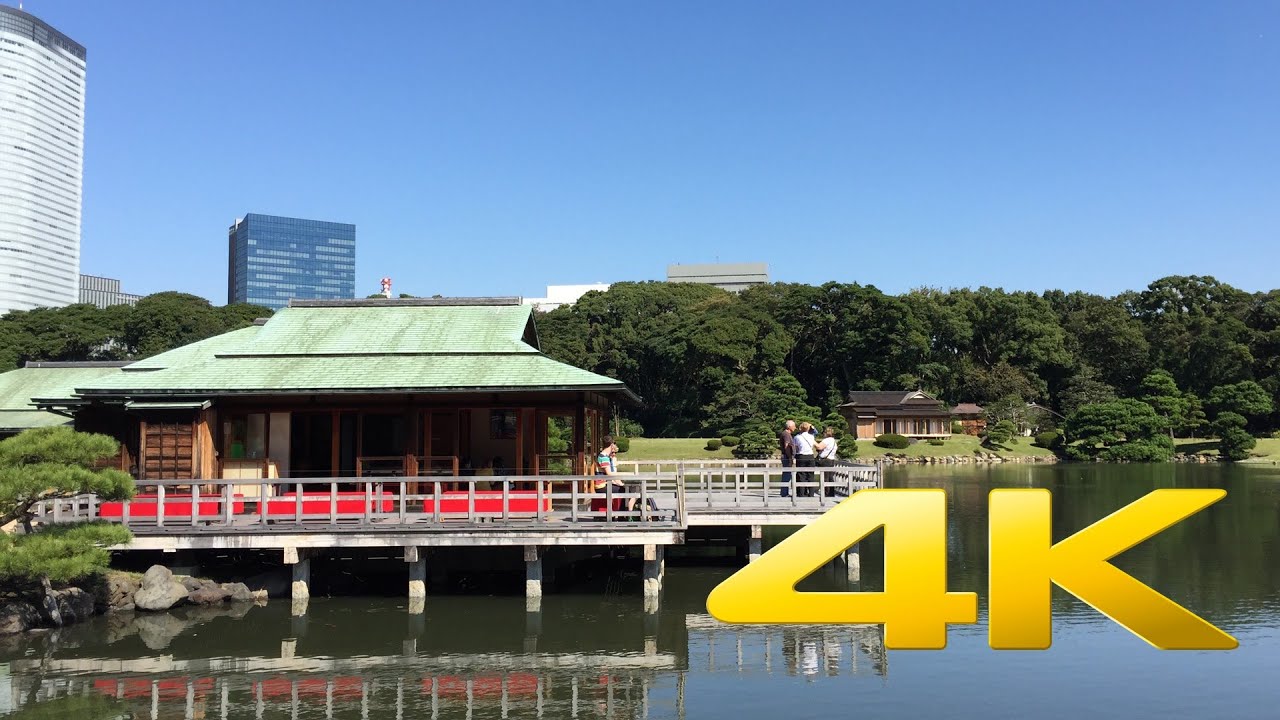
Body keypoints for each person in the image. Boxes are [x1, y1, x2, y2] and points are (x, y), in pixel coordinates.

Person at [794, 421, 817, 496]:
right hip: (810, 456)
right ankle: (811, 493)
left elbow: (796, 447)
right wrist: (812, 426)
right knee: (811, 475)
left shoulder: (797, 437)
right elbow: (815, 432)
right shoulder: (811, 436)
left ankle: (801, 493)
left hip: (801, 456)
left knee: (801, 475)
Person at [815, 427, 839, 496]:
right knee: (830, 477)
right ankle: (831, 493)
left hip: (825, 460)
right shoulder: (834, 441)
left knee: (825, 478)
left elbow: (819, 447)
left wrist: (814, 442)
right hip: (831, 459)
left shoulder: (827, 440)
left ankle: (826, 493)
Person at [779, 420, 796, 497]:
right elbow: (786, 446)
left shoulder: (786, 434)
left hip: (787, 456)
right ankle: (784, 492)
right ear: (789, 427)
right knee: (786, 474)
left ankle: (784, 491)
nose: (795, 427)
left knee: (787, 474)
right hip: (787, 457)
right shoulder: (786, 434)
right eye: (794, 426)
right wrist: (790, 457)